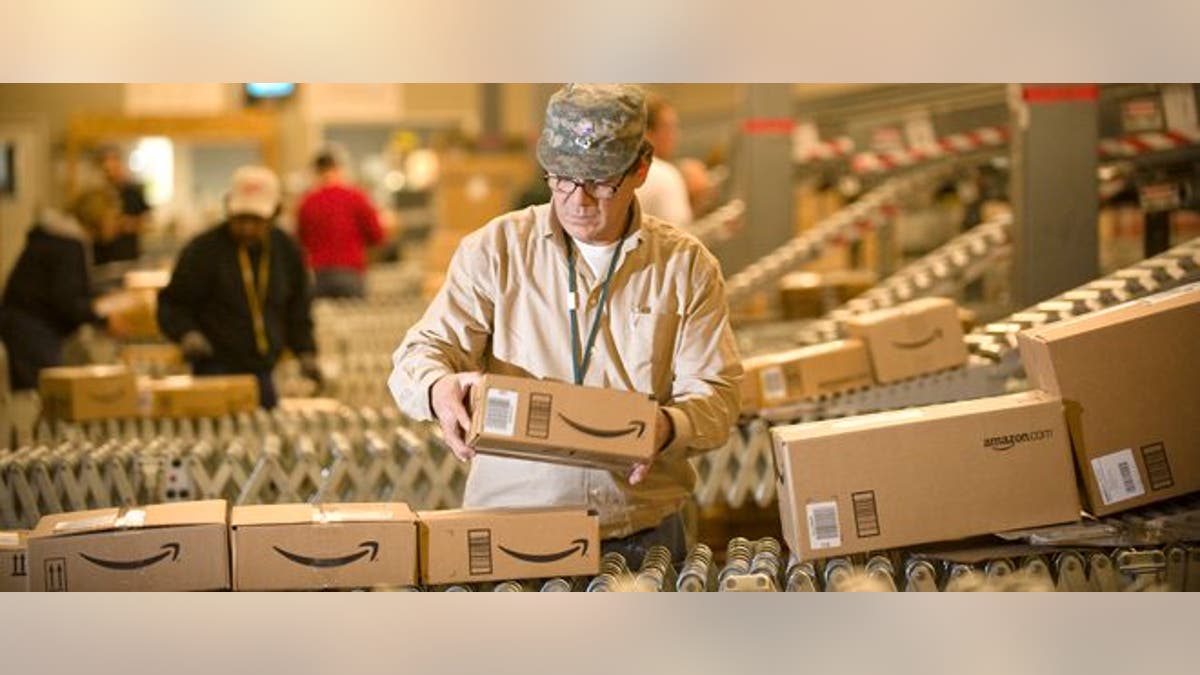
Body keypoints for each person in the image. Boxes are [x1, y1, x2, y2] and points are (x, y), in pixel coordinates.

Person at [389, 84, 742, 567]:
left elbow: (719, 396)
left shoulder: (684, 267)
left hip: (641, 533)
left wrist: (667, 427)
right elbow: (421, 352)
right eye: (561, 179)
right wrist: (436, 388)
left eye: (599, 182)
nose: (576, 200)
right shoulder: (496, 251)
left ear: (640, 168)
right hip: (512, 532)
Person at [157, 166, 320, 408]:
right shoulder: (203, 251)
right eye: (240, 219)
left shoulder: (286, 250)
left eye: (256, 221)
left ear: (275, 213)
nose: (247, 228)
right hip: (214, 368)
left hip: (264, 370)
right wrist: (186, 333)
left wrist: (305, 350)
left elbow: (298, 306)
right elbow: (172, 303)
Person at [0, 189, 130, 390]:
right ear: (98, 216)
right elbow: (67, 302)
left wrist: (101, 299)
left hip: (29, 324)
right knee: (43, 397)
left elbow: (70, 289)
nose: (117, 225)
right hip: (32, 329)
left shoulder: (62, 239)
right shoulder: (66, 245)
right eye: (113, 217)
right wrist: (104, 316)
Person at [296, 149, 385, 299]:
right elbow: (377, 235)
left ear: (316, 172)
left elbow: (301, 240)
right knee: (354, 319)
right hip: (350, 271)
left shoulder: (307, 202)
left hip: (318, 274)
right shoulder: (356, 197)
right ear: (339, 169)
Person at [635, 95, 693, 227]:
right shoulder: (665, 175)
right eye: (669, 128)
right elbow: (677, 240)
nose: (675, 136)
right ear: (647, 132)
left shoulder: (616, 174)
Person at [92, 146, 151, 265]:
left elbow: (147, 222)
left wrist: (128, 224)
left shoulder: (133, 193)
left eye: (114, 167)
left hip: (127, 255)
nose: (111, 173)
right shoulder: (97, 194)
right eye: (107, 170)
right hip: (102, 257)